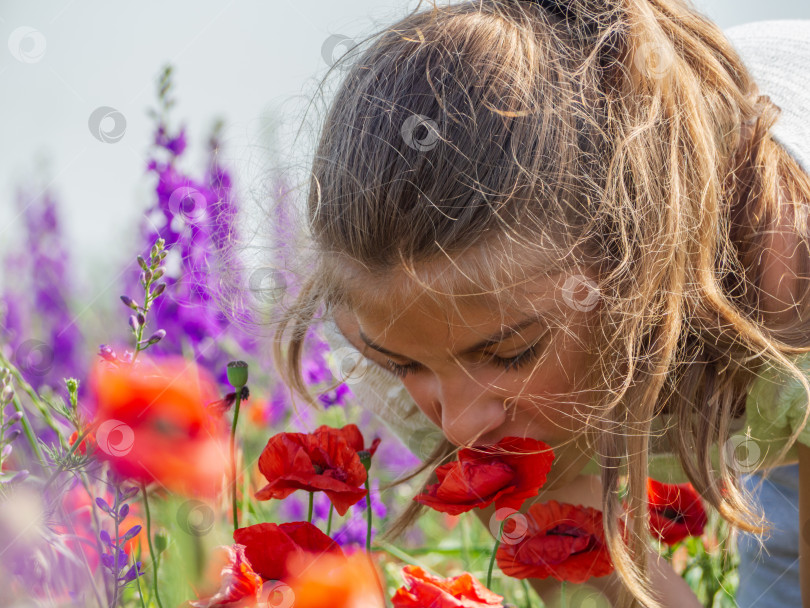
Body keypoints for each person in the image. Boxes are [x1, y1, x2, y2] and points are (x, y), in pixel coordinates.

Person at [270, 2, 810, 607]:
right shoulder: (417, 324)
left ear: (632, 267)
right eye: (404, 364)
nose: (459, 424)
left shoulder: (789, 281)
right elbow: (592, 579)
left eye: (510, 352)